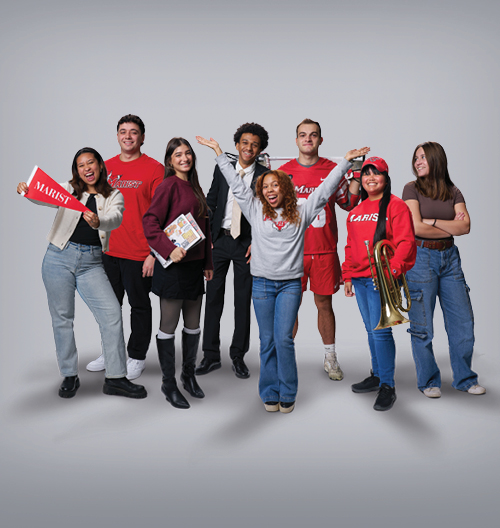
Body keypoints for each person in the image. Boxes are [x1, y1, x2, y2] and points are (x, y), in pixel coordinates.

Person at [197, 135, 369, 413]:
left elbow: (325, 191)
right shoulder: (254, 210)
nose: (269, 190)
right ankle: (269, 391)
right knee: (267, 341)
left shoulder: (301, 212)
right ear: (260, 191)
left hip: (289, 285)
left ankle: (288, 391)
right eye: (265, 186)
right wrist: (218, 152)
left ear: (285, 188)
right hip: (263, 285)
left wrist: (347, 162)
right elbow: (236, 185)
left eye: (275, 185)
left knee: (283, 339)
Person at [17, 148, 147, 399]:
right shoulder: (67, 189)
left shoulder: (114, 194)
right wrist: (26, 190)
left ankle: (116, 378)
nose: (86, 168)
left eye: (91, 163)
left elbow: (116, 217)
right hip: (58, 257)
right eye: (80, 165)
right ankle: (69, 375)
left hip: (91, 263)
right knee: (62, 318)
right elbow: (43, 195)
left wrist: (100, 222)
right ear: (76, 170)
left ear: (99, 165)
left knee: (111, 314)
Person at [279, 119, 361, 381]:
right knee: (289, 307)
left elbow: (348, 203)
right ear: (296, 140)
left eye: (313, 135)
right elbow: (270, 213)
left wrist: (356, 173)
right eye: (303, 135)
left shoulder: (333, 169)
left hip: (324, 249)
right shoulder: (283, 172)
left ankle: (330, 357)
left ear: (320, 140)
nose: (308, 139)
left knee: (324, 304)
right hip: (294, 251)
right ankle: (285, 359)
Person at [403, 142, 485, 397]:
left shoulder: (453, 191)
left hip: (450, 259)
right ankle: (429, 381)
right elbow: (415, 227)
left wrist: (433, 221)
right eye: (416, 158)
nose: (417, 162)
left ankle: (465, 379)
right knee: (423, 325)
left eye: (423, 158)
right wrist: (449, 224)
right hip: (420, 258)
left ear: (437, 160)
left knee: (463, 322)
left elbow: (466, 227)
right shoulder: (411, 189)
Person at [86, 115, 164, 380]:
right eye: (123, 132)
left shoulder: (154, 169)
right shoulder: (105, 167)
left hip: (139, 253)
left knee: (139, 306)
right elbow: (83, 197)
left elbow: (162, 214)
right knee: (109, 307)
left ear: (142, 137)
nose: (128, 136)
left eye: (133, 132)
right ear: (117, 136)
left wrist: (154, 253)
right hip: (107, 251)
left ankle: (137, 356)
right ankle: (111, 352)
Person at [143, 138, 213, 409]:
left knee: (194, 325)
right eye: (178, 154)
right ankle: (168, 383)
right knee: (168, 326)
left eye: (188, 153)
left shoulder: (195, 187)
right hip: (173, 268)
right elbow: (150, 221)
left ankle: (188, 375)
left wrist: (208, 262)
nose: (184, 158)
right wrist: (169, 249)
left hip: (195, 268)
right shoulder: (168, 185)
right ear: (170, 161)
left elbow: (204, 229)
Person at [196, 122, 269, 380]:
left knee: (242, 301)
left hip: (246, 244)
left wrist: (257, 242)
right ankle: (210, 355)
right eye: (245, 142)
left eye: (255, 145)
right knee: (213, 297)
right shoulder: (222, 168)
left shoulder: (264, 176)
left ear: (260, 150)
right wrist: (209, 238)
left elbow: (267, 214)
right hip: (220, 241)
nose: (249, 148)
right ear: (237, 145)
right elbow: (211, 201)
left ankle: (238, 356)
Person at [342, 156, 416, 411]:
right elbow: (350, 246)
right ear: (360, 179)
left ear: (386, 178)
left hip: (381, 279)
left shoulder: (396, 206)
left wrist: (392, 272)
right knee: (370, 329)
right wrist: (348, 275)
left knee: (381, 332)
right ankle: (377, 375)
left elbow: (406, 242)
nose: (371, 178)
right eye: (366, 174)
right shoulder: (355, 212)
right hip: (361, 279)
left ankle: (388, 385)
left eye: (377, 173)